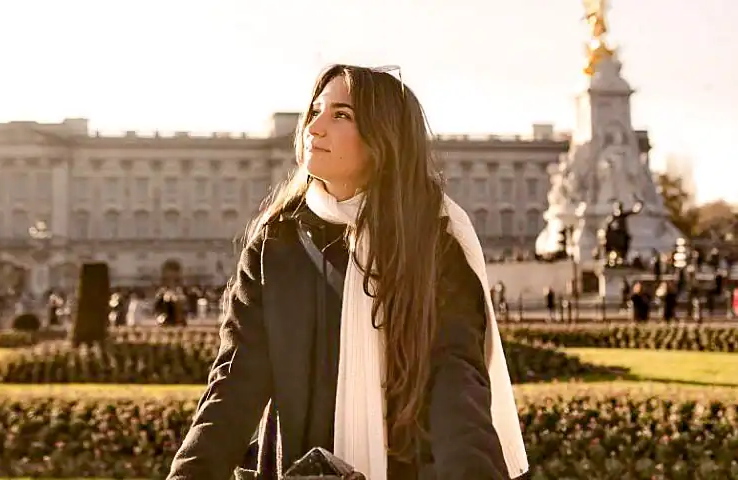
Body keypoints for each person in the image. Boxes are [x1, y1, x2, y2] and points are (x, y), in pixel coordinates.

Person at [167, 64, 528, 480]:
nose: (313, 127)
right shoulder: (275, 243)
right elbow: (234, 387)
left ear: (383, 137)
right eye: (315, 110)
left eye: (341, 115)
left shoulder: (433, 245)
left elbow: (456, 385)